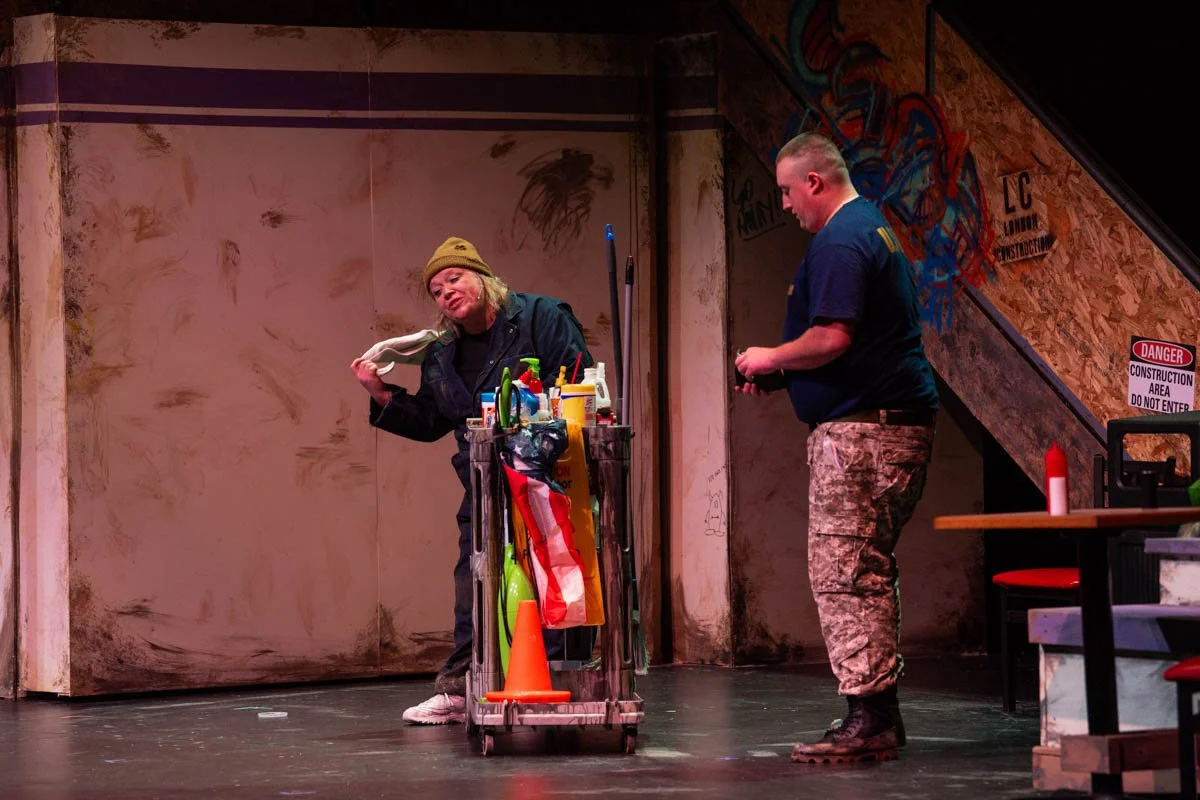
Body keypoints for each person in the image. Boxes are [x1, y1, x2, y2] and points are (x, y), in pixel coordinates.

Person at [734, 132, 938, 763]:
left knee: (845, 573)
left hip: (865, 437)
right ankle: (876, 713)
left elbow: (832, 338)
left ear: (814, 182)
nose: (786, 205)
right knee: (861, 569)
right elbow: (856, 345)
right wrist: (788, 376)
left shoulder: (841, 240)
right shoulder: (869, 229)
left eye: (787, 192)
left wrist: (772, 356)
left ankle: (870, 718)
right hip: (882, 426)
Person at [351, 236, 593, 725]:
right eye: (436, 290)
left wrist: (532, 425)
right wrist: (380, 394)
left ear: (482, 277)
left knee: (555, 575)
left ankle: (563, 680)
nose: (446, 293)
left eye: (454, 279)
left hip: (548, 475)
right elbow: (432, 420)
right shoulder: (442, 353)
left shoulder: (540, 317)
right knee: (473, 580)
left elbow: (575, 382)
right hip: (483, 485)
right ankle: (463, 690)